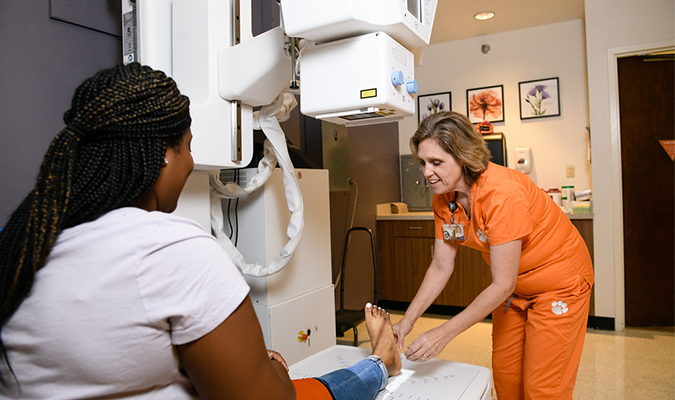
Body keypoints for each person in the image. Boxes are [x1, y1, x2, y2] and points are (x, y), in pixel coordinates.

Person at [0, 63, 401, 400]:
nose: (192, 162)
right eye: (188, 147)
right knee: (307, 386)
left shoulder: (24, 241)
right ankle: (381, 363)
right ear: (163, 153)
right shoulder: (171, 248)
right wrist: (269, 368)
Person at [392, 111, 594, 400]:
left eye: (436, 162)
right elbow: (440, 266)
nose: (426, 172)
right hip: (515, 289)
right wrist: (407, 321)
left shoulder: (502, 195)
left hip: (559, 284)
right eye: (423, 163)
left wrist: (444, 333)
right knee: (507, 380)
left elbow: (501, 284)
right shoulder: (445, 199)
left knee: (543, 389)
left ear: (463, 157)